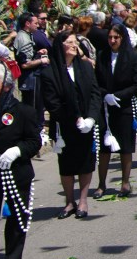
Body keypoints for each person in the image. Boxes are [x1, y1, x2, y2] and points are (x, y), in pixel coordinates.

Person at [0, 61, 42, 259]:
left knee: (16, 212)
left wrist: (16, 151)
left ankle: (12, 255)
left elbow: (34, 141)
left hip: (14, 169)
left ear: (7, 86)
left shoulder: (23, 111)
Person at [41, 32, 102, 218]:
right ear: (61, 46)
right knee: (66, 164)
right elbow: (52, 102)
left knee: (85, 161)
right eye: (70, 42)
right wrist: (73, 119)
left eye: (76, 42)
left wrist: (91, 118)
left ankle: (83, 200)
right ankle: (69, 201)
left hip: (86, 124)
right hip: (64, 125)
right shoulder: (49, 72)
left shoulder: (85, 67)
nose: (75, 45)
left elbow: (95, 93)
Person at [95, 23, 137, 198]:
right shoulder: (102, 56)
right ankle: (101, 184)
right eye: (110, 37)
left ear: (122, 38)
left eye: (116, 37)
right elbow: (96, 82)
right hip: (105, 108)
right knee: (104, 149)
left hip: (124, 107)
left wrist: (118, 96)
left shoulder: (132, 57)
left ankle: (125, 182)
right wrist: (105, 95)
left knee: (125, 147)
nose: (113, 40)